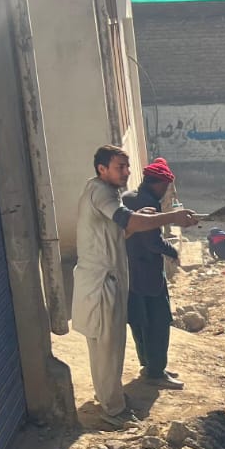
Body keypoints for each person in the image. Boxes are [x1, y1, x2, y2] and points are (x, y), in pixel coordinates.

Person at [72, 146, 198, 427]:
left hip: (109, 281)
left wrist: (146, 218)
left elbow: (122, 230)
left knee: (110, 348)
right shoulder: (101, 193)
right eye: (120, 167)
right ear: (102, 169)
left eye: (127, 166)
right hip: (101, 283)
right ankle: (112, 410)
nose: (127, 172)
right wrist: (171, 217)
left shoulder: (108, 192)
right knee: (107, 350)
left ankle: (111, 398)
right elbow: (127, 221)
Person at [125, 157, 187, 390]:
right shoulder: (149, 203)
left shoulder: (128, 197)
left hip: (129, 272)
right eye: (166, 187)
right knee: (158, 322)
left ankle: (149, 365)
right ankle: (156, 372)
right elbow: (152, 241)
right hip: (148, 274)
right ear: (159, 184)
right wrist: (172, 251)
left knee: (139, 321)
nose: (166, 191)